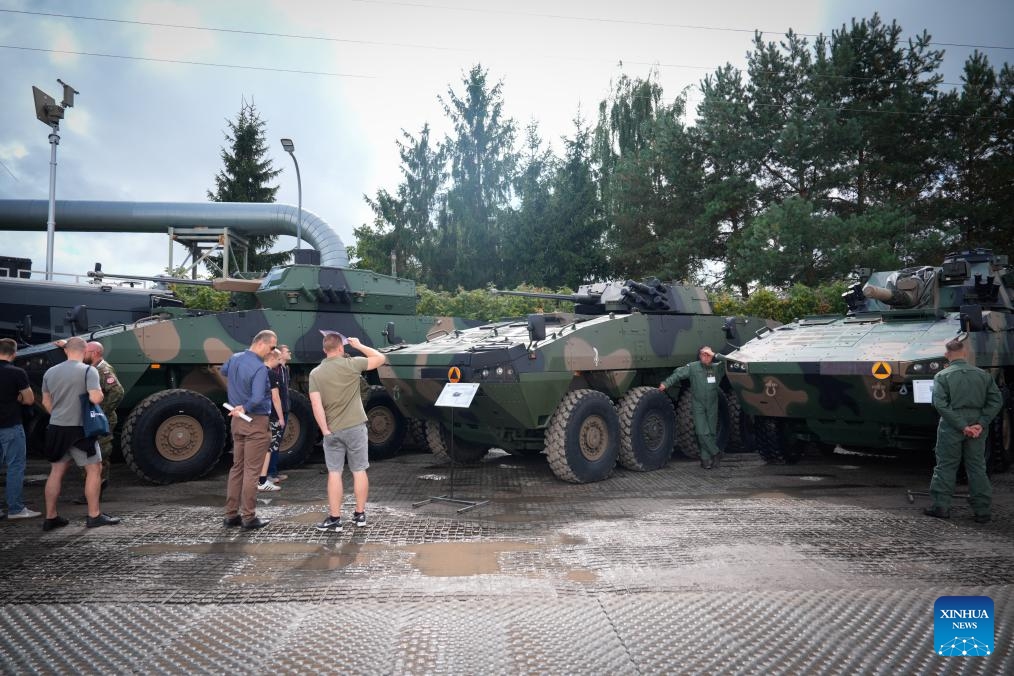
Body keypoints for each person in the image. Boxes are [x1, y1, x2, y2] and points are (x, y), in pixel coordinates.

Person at [309, 330, 387, 532]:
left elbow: (316, 405)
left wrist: (324, 430)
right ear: (340, 348)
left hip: (332, 429)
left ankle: (335, 519)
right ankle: (360, 515)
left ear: (324, 349)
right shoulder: (352, 364)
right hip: (355, 427)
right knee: (359, 471)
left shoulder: (315, 373)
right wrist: (358, 345)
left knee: (334, 473)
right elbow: (380, 358)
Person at [41, 336, 120, 530]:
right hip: (80, 430)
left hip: (57, 428)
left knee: (56, 472)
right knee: (94, 469)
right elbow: (96, 397)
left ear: (66, 351)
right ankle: (94, 515)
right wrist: (96, 394)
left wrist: (59, 415)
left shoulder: (50, 372)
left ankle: (51, 517)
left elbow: (45, 402)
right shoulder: (88, 370)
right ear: (85, 351)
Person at [924, 338, 1002, 524]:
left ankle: (941, 507)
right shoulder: (983, 375)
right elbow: (996, 401)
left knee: (946, 466)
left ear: (946, 355)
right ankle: (982, 511)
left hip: (951, 425)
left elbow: (940, 404)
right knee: (977, 467)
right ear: (965, 353)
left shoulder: (942, 376)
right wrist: (981, 423)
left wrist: (962, 426)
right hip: (977, 426)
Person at [219, 329, 277, 530]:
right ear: (261, 343)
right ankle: (249, 517)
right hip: (255, 421)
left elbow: (223, 371)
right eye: (272, 347)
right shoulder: (260, 368)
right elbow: (258, 397)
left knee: (237, 468)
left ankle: (231, 515)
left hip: (237, 422)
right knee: (252, 471)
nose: (272, 351)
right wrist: (244, 407)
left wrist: (238, 397)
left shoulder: (235, 358)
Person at [72, 341, 123, 504]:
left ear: (94, 353)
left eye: (85, 351)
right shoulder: (93, 368)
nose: (83, 354)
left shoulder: (103, 369)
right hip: (94, 419)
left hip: (100, 420)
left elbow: (117, 391)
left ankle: (94, 492)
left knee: (97, 455)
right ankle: (95, 489)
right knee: (95, 454)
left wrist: (101, 411)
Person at [659, 345, 726, 469]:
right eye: (703, 354)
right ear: (699, 356)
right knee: (701, 432)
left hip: (712, 404)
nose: (705, 357)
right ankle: (716, 453)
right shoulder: (693, 367)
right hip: (698, 404)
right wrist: (666, 383)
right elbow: (678, 374)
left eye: (708, 354)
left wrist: (714, 354)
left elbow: (729, 361)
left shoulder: (717, 368)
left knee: (711, 432)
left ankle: (705, 459)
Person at [0, 338, 40, 520]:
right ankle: (15, 509)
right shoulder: (17, 372)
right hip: (11, 425)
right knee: (15, 467)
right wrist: (17, 397)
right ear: (14, 353)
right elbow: (29, 399)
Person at [257, 348, 285, 492]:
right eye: (278, 359)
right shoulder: (272, 374)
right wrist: (281, 417)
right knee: (268, 448)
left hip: (257, 414)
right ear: (272, 358)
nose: (279, 362)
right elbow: (275, 398)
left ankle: (254, 478)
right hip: (271, 415)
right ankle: (262, 481)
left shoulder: (256, 372)